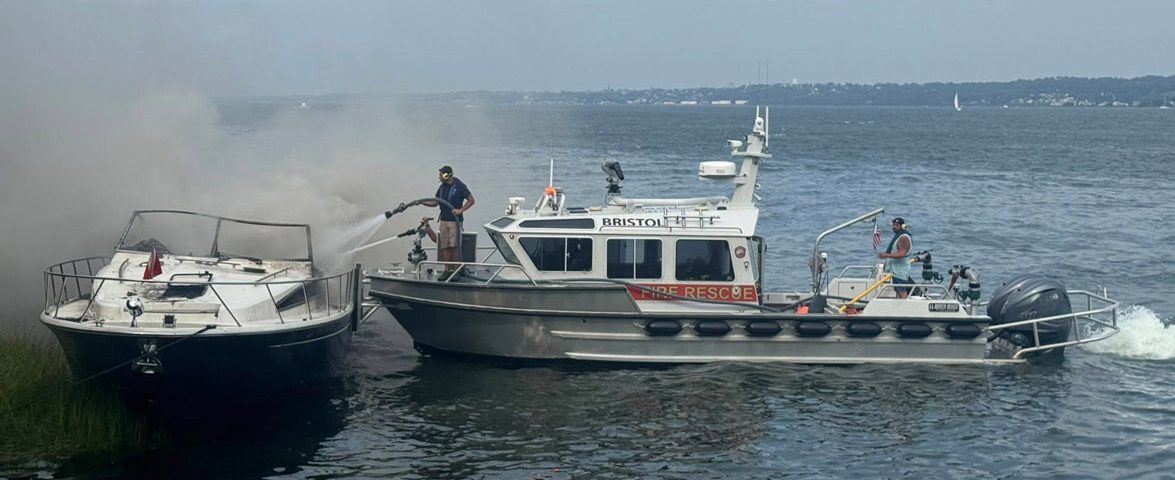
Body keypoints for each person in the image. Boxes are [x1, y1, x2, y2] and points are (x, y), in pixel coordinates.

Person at [420, 165, 475, 272]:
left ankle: (456, 270)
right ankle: (446, 270)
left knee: (454, 246)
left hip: (455, 221)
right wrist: (422, 202)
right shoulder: (442, 187)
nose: (439, 177)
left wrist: (460, 210)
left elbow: (471, 200)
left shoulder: (459, 186)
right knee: (444, 245)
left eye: (440, 175)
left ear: (446, 175)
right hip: (444, 220)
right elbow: (435, 202)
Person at [877, 217, 913, 298]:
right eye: (893, 225)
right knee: (897, 290)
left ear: (902, 226)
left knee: (902, 291)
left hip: (900, 270)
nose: (894, 227)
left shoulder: (904, 237)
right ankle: (899, 306)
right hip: (895, 269)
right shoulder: (898, 236)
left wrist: (886, 255)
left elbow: (902, 254)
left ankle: (905, 306)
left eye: (896, 225)